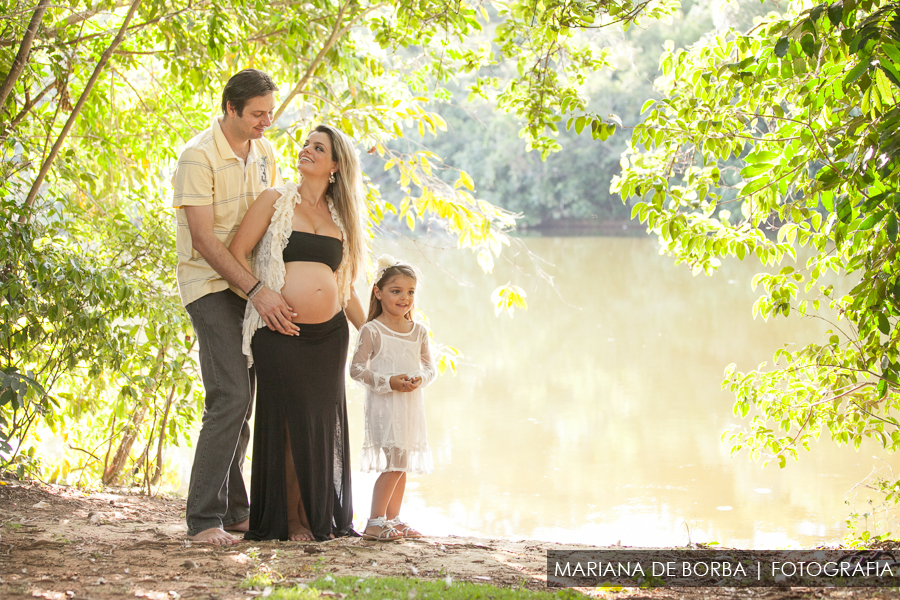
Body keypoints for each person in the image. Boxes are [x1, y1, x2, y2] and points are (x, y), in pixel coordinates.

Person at [173, 69, 299, 546]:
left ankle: (236, 512)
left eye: (270, 112)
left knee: (243, 403)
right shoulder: (197, 157)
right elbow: (204, 241)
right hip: (210, 286)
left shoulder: (264, 151)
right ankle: (203, 520)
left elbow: (272, 219)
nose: (267, 121)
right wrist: (257, 292)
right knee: (229, 397)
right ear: (231, 108)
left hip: (251, 285)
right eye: (258, 114)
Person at [230, 124, 367, 542]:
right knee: (288, 425)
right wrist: (262, 297)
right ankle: (287, 521)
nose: (306, 150)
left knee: (321, 425)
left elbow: (344, 289)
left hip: (329, 338)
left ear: (335, 165)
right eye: (306, 144)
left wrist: (377, 332)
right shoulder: (274, 200)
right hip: (280, 330)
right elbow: (237, 255)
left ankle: (314, 516)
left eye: (318, 147)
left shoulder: (341, 219)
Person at [349, 255, 437, 541]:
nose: (404, 298)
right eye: (396, 290)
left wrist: (418, 379)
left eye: (410, 292)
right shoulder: (372, 330)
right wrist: (389, 382)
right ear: (378, 292)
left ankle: (394, 519)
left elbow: (430, 369)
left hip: (411, 406)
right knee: (394, 463)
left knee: (403, 463)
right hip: (385, 405)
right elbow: (357, 369)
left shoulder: (419, 331)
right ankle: (374, 522)